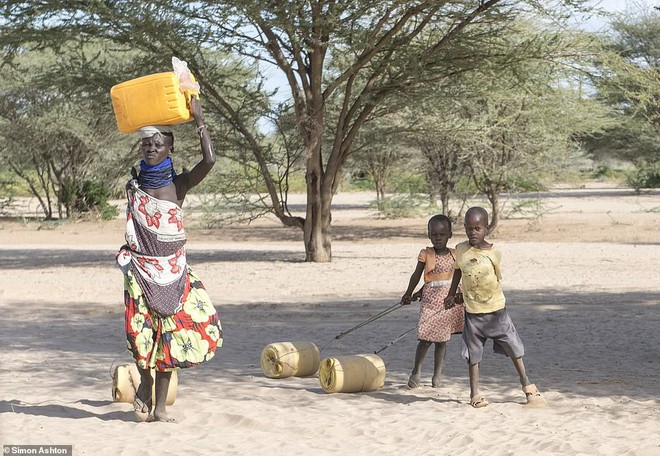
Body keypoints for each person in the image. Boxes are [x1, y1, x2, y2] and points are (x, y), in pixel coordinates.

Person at [116, 97, 223, 422]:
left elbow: (210, 160)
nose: (151, 148)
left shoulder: (179, 185)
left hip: (173, 273)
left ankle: (160, 409)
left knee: (170, 338)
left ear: (169, 150)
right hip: (140, 271)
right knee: (140, 334)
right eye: (147, 143)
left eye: (158, 144)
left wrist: (199, 118)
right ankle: (145, 381)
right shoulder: (135, 185)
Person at [444, 206, 545, 408]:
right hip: (473, 315)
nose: (473, 232)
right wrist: (452, 294)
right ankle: (475, 394)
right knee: (473, 355)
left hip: (497, 312)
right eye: (469, 228)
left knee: (514, 348)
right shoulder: (461, 250)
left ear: (486, 229)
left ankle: (527, 385)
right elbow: (458, 271)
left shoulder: (494, 252)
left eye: (477, 228)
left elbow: (494, 278)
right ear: (464, 228)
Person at [401, 214, 464, 389]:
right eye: (434, 234)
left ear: (449, 234)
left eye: (442, 235)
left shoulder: (455, 254)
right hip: (430, 301)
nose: (438, 238)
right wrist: (410, 292)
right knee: (426, 338)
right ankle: (417, 371)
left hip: (447, 301)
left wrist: (459, 296)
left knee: (442, 340)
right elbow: (419, 276)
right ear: (429, 235)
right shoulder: (426, 254)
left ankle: (437, 376)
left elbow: (457, 277)